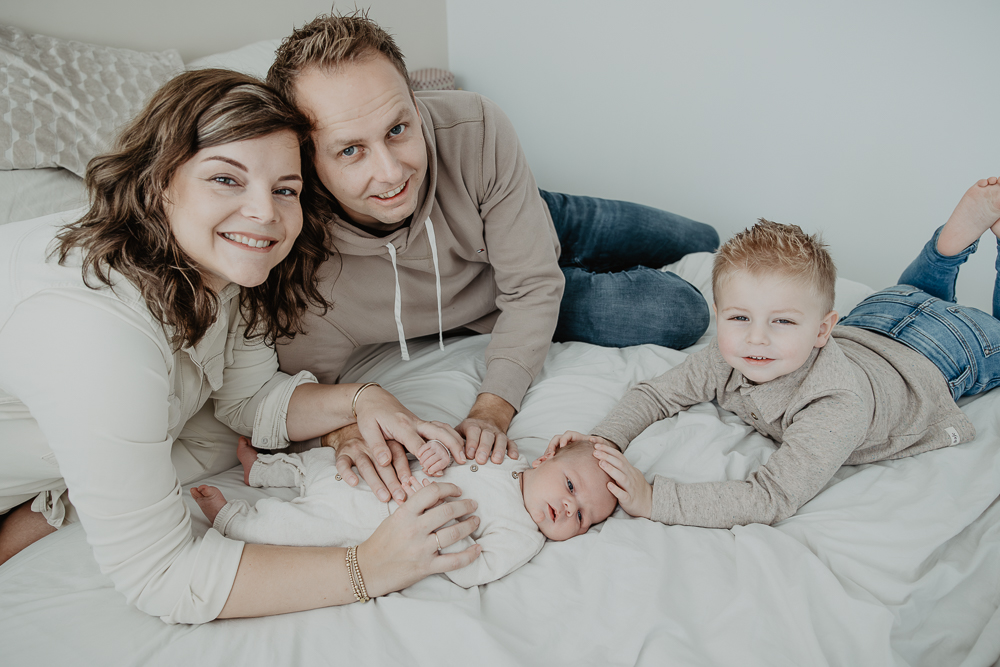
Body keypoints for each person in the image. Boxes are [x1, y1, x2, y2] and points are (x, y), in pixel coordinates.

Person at [0, 68, 483, 624]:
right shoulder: (95, 336)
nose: (266, 213)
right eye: (226, 179)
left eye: (285, 189)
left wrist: (362, 400)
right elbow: (165, 578)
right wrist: (369, 566)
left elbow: (247, 399)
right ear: (158, 181)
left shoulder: (215, 266)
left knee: (215, 436)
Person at [263, 11, 720, 503]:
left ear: (415, 103)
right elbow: (288, 393)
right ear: (307, 157)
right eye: (350, 150)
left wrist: (493, 408)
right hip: (493, 297)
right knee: (681, 311)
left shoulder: (475, 125)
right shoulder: (293, 248)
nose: (392, 171)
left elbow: (533, 284)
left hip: (514, 218)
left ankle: (551, 225)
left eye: (397, 128)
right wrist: (341, 432)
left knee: (703, 238)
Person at [548, 177, 1000, 529]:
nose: (756, 339)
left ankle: (960, 247)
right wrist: (602, 441)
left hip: (946, 350)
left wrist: (653, 499)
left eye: (782, 321)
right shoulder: (728, 355)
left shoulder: (835, 404)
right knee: (911, 293)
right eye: (740, 317)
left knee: (943, 307)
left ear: (822, 330)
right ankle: (947, 248)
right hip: (878, 315)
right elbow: (656, 395)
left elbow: (771, 496)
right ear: (719, 316)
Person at [191, 435, 618, 587]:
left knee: (297, 529)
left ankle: (233, 520)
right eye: (570, 487)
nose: (569, 507)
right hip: (381, 476)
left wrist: (444, 515)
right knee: (320, 463)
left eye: (582, 517)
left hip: (368, 521)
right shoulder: (505, 456)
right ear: (545, 459)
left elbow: (472, 569)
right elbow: (455, 449)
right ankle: (262, 470)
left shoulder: (522, 536)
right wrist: (437, 452)